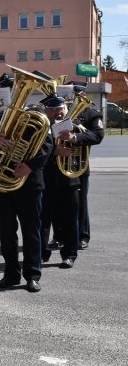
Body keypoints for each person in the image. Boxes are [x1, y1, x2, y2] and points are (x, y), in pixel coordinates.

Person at [0, 74, 53, 293]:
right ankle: (11, 274)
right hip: (3, 180)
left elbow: (47, 145)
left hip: (29, 181)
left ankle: (33, 274)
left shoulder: (37, 114)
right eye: (14, 91)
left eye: (19, 90)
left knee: (31, 230)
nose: (15, 95)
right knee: (7, 231)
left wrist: (30, 165)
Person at [40, 94, 80, 269]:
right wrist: (53, 150)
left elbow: (95, 137)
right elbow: (33, 149)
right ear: (46, 111)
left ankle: (69, 254)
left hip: (69, 180)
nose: (58, 113)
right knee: (43, 221)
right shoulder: (40, 128)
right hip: (46, 180)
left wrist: (74, 138)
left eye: (61, 109)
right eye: (54, 109)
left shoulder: (74, 126)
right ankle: (42, 253)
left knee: (70, 220)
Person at [69, 85, 104, 249]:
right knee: (56, 202)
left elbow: (98, 135)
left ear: (84, 95)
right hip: (58, 163)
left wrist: (76, 137)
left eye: (79, 94)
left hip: (79, 164)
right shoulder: (62, 111)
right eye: (73, 94)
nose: (76, 97)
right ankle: (60, 235)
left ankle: (83, 235)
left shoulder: (92, 113)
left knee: (80, 203)